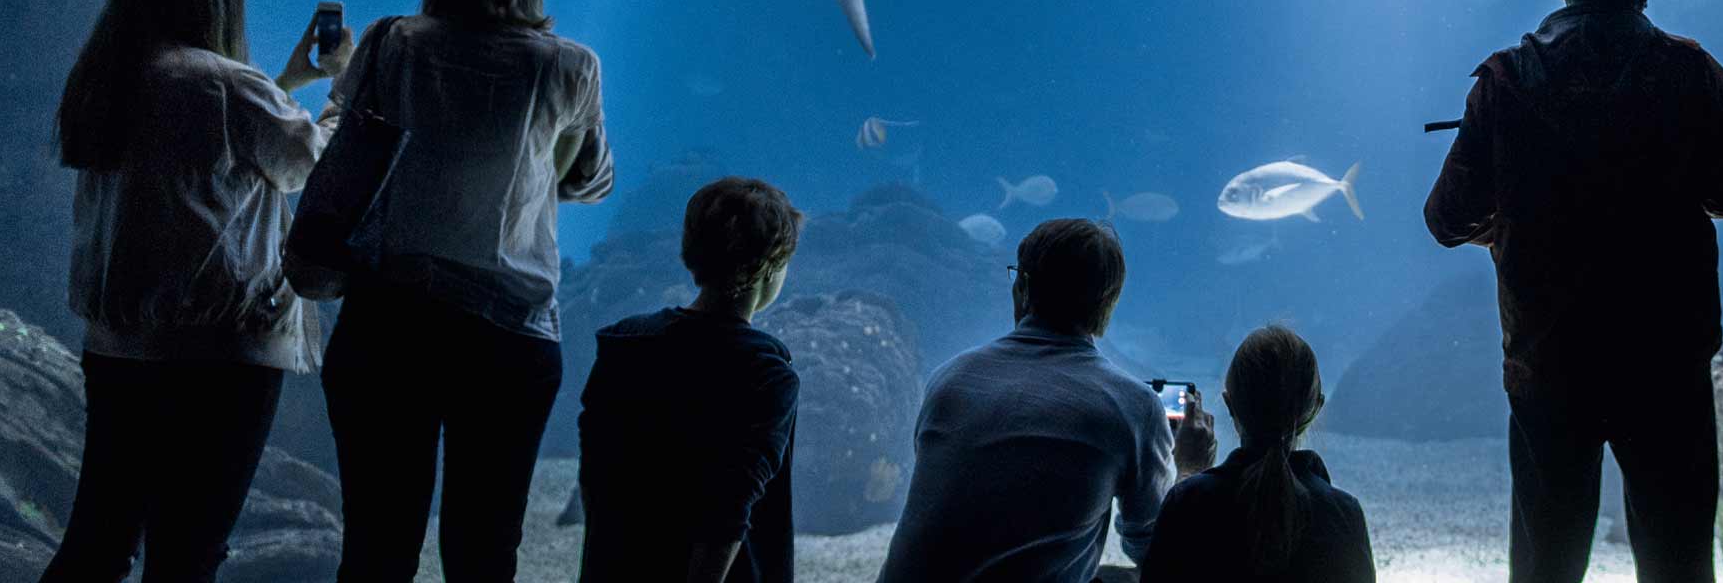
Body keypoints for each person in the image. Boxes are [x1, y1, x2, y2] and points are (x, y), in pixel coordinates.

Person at [1425, 0, 1723, 583]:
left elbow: (1445, 216)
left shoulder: (1506, 79)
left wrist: (1504, 220)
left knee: (1546, 562)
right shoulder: (1690, 73)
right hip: (1666, 355)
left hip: (1549, 358)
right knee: (1679, 561)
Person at [43, 0, 350, 583]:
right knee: (188, 553)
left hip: (119, 350)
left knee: (98, 541)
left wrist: (287, 83)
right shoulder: (225, 84)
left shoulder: (110, 76)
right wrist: (340, 92)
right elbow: (309, 165)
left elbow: (213, 147)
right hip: (219, 359)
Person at [317, 0, 615, 583]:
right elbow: (588, 181)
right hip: (508, 336)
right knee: (484, 554)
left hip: (388, 322)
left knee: (374, 547)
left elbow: (347, 146)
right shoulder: (569, 66)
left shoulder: (393, 41)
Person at [876, 218, 1218, 583]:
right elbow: (1158, 552)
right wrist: (1189, 472)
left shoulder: (949, 379)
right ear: (1109, 303)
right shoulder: (1133, 406)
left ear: (1022, 287)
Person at [578, 176, 804, 583]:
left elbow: (596, 478)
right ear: (772, 265)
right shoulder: (766, 372)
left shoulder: (623, 345)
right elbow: (731, 506)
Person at [1139, 324, 1375, 583]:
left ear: (1230, 405)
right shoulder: (1344, 513)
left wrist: (1187, 473)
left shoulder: (1187, 502)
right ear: (1316, 408)